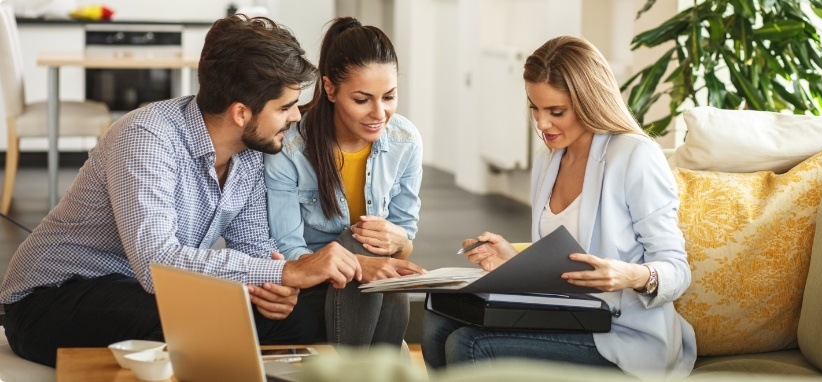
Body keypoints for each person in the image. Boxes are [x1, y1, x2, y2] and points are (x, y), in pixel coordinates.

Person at [0, 15, 364, 367]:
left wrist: (273, 289)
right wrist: (286, 274)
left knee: (302, 318)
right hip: (51, 298)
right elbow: (155, 263)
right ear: (241, 113)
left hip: (144, 291)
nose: (296, 117)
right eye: (285, 107)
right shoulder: (146, 137)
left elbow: (253, 252)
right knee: (190, 319)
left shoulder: (251, 153)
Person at [421, 36, 696, 379]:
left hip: (623, 335)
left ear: (589, 102)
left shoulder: (634, 156)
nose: (541, 124)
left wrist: (632, 275)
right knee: (436, 322)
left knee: (470, 344)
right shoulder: (548, 160)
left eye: (556, 112)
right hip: (568, 317)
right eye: (534, 107)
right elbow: (563, 261)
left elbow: (677, 270)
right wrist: (512, 259)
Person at [264, 17, 424, 348]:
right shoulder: (291, 148)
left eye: (389, 97)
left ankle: (364, 369)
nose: (379, 113)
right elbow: (288, 251)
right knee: (355, 242)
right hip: (313, 283)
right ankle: (379, 365)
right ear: (330, 89)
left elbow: (404, 244)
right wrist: (357, 263)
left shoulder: (405, 140)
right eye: (363, 100)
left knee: (377, 258)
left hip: (373, 286)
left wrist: (397, 240)